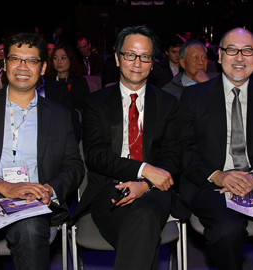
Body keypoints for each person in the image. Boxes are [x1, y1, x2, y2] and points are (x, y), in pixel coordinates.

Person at [180, 27, 253, 270]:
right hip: (211, 184)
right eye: (231, 50)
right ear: (220, 56)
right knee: (227, 231)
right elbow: (183, 149)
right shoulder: (194, 96)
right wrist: (219, 175)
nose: (239, 57)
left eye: (247, 51)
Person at [0, 33, 84, 270]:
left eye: (31, 60)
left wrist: (48, 189)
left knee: (30, 237)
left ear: (43, 67)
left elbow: (73, 165)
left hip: (32, 197)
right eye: (16, 59)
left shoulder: (59, 115)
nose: (22, 67)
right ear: (5, 64)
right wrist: (3, 186)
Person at [71, 25, 180, 270]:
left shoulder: (168, 104)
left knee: (144, 217)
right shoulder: (95, 103)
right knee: (144, 231)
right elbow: (96, 156)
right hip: (108, 189)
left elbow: (173, 156)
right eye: (130, 54)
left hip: (155, 190)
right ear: (118, 58)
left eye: (145, 56)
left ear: (153, 63)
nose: (137, 63)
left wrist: (146, 184)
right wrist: (144, 169)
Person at [44, 43, 90, 111]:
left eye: (63, 58)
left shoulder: (80, 82)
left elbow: (86, 107)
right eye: (55, 58)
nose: (59, 62)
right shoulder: (47, 82)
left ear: (70, 60)